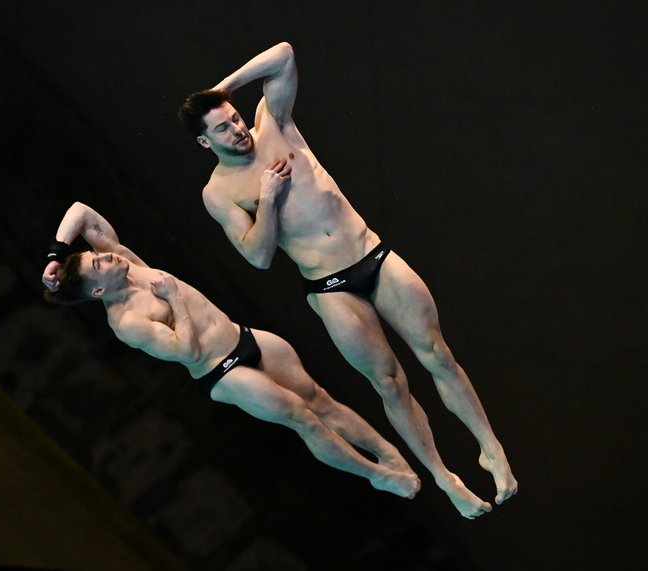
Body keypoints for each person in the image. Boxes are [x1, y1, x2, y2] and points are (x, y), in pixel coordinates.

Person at [178, 42, 517, 518]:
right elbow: (257, 256)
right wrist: (269, 199)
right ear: (204, 142)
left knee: (437, 353)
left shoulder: (272, 123)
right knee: (390, 383)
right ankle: (446, 478)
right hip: (331, 287)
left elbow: (283, 55)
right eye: (222, 128)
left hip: (371, 253)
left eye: (234, 118)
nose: (236, 129)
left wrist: (223, 88)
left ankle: (490, 448)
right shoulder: (218, 193)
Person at [41, 201, 420, 499]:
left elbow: (81, 211)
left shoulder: (129, 264)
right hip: (221, 372)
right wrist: (173, 299)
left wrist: (56, 254)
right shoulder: (127, 323)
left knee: (320, 398)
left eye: (99, 253)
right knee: (302, 417)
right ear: (97, 291)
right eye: (99, 262)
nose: (107, 256)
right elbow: (186, 352)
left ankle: (387, 452)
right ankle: (377, 476)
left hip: (242, 336)